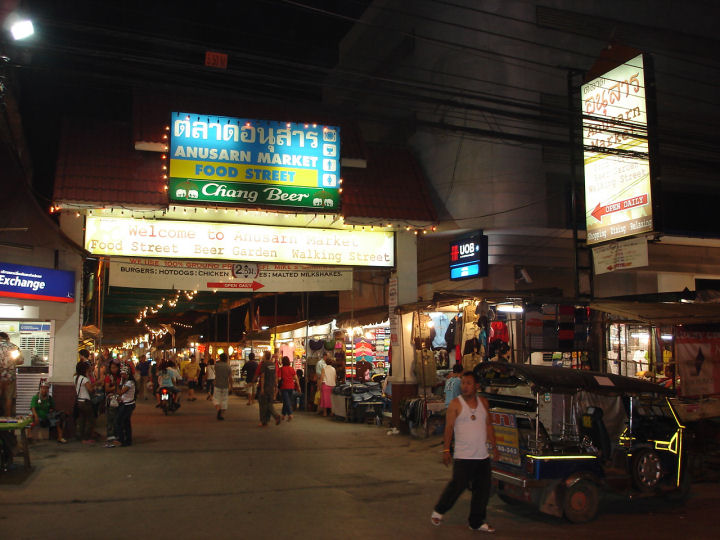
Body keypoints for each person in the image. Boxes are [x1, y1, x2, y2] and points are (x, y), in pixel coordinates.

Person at [431, 371, 498, 532]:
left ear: (477, 386)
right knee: (457, 486)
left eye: (468, 383)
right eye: (463, 383)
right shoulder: (456, 404)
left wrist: (494, 447)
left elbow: (488, 425)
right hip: (463, 456)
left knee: (482, 490)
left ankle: (476, 522)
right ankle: (439, 510)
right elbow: (449, 428)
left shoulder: (483, 403)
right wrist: (446, 450)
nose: (464, 387)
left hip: (482, 455)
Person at [0, 332, 24, 416]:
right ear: (7, 338)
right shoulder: (14, 347)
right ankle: (8, 417)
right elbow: (21, 361)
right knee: (9, 397)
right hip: (10, 376)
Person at [256, 351, 281, 427]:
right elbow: (275, 376)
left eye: (263, 355)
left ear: (265, 356)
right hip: (271, 387)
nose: (262, 357)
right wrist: (276, 386)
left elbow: (262, 376)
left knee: (263, 404)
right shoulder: (273, 365)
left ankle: (269, 418)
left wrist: (262, 388)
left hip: (265, 386)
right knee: (269, 403)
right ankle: (267, 420)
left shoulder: (264, 364)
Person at [74, 361, 96, 443]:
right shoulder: (84, 379)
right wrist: (97, 383)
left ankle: (80, 437)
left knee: (81, 420)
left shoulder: (75, 377)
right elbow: (90, 389)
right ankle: (86, 437)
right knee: (90, 420)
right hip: (85, 401)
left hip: (79, 401)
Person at [114, 363, 136, 447]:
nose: (122, 375)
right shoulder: (125, 381)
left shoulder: (129, 383)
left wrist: (116, 385)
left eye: (123, 374)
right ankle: (127, 440)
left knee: (119, 421)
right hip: (126, 403)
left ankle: (121, 439)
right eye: (121, 374)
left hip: (128, 405)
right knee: (126, 422)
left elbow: (121, 392)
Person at [104, 361, 122, 447]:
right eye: (112, 368)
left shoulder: (121, 376)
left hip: (120, 400)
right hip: (111, 400)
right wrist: (116, 386)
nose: (113, 369)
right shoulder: (109, 377)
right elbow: (107, 388)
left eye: (115, 367)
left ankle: (117, 435)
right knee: (111, 418)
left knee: (118, 418)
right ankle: (111, 436)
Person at [278, 356, 300, 421]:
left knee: (287, 401)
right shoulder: (291, 369)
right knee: (286, 401)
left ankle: (290, 414)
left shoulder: (281, 369)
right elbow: (296, 378)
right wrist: (299, 387)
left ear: (282, 362)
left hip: (284, 387)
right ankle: (283, 415)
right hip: (291, 387)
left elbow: (279, 378)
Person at [213, 353, 232, 420]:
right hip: (225, 385)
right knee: (224, 400)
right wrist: (231, 386)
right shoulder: (228, 367)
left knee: (216, 399)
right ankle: (222, 414)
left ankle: (218, 409)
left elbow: (216, 374)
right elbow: (230, 378)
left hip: (217, 384)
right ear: (226, 359)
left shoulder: (216, 366)